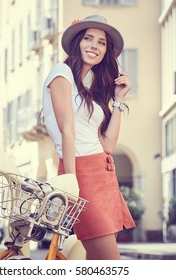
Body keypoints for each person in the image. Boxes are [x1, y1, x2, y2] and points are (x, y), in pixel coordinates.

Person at [42, 15, 136, 260]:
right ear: (77, 43)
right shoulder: (60, 73)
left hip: (104, 173)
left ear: (106, 51)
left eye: (102, 42)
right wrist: (71, 179)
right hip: (81, 173)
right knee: (110, 262)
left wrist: (118, 100)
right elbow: (67, 130)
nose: (95, 46)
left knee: (97, 262)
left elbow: (107, 144)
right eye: (88, 38)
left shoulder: (90, 87)